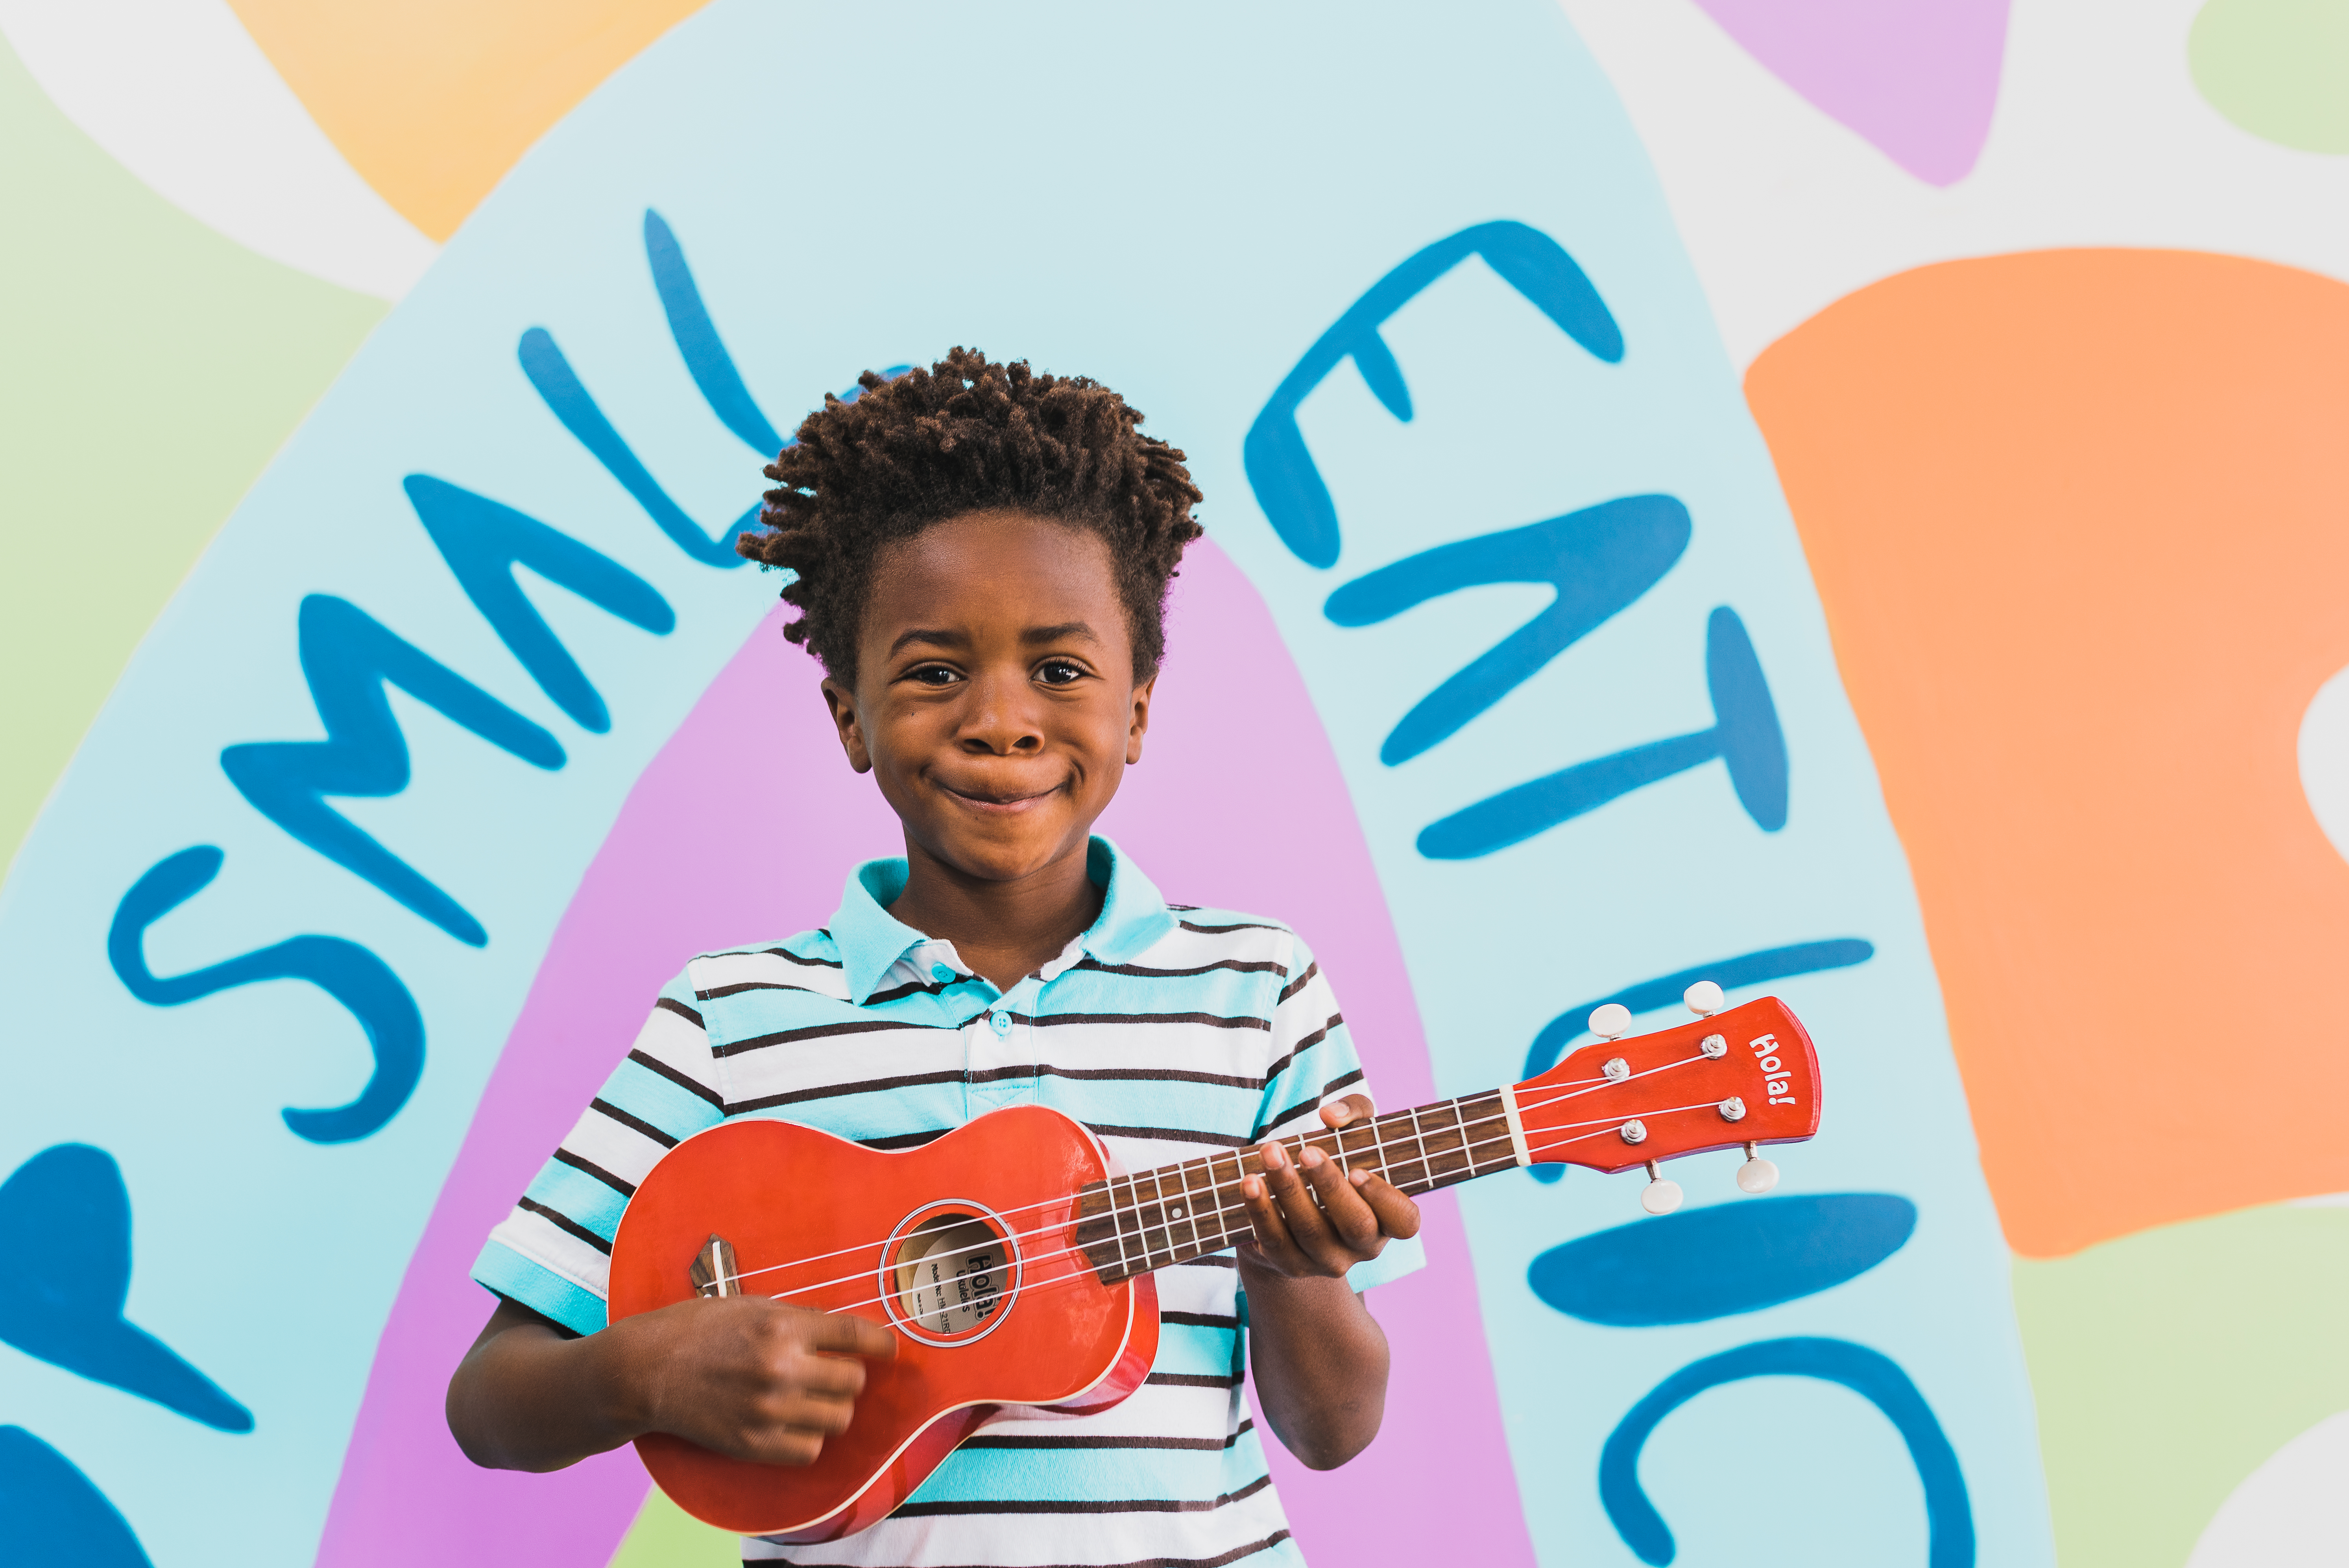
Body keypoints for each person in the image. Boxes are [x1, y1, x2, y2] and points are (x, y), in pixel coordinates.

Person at [445, 348, 1426, 1566]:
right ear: (850, 711)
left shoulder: (1255, 990)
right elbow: (490, 1403)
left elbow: (1333, 1430)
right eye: (934, 671)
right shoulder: (729, 1016)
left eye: (1061, 670)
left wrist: (1290, 1272)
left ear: (1137, 706)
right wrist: (645, 1370)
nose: (1001, 717)